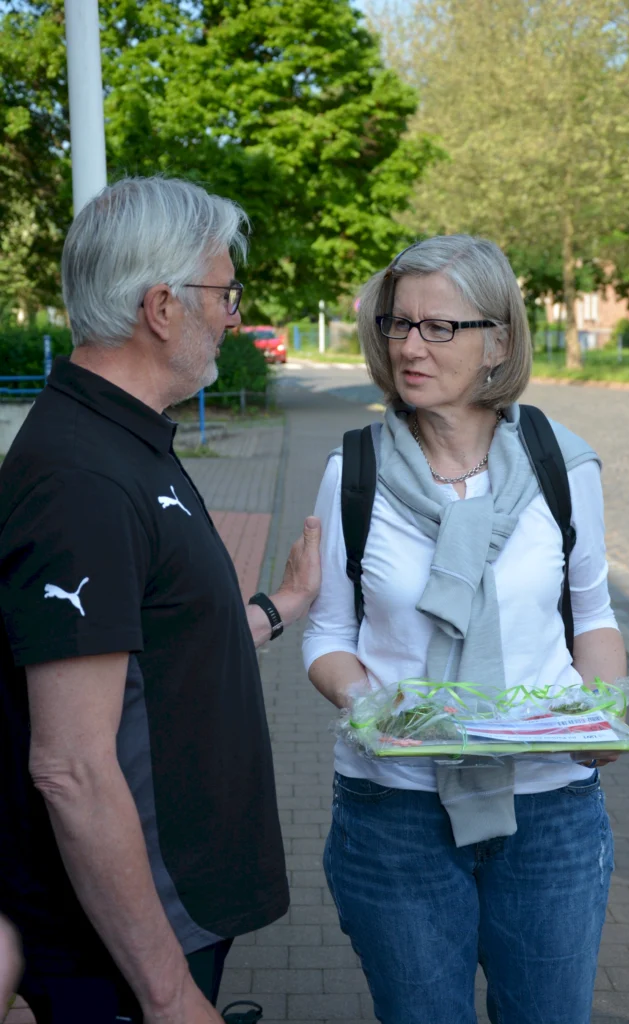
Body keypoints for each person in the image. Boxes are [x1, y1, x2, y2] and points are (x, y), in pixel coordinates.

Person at [0, 176, 321, 1024]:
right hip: (131, 949)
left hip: (177, 908)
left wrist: (283, 603)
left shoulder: (120, 438)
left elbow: (158, 642)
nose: (231, 313)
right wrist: (170, 997)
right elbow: (69, 767)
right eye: (224, 293)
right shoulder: (82, 477)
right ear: (161, 307)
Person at [303, 234, 626, 1024]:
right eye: (396, 324)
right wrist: (372, 709)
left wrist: (603, 710)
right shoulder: (353, 471)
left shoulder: (562, 464)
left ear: (499, 341)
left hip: (549, 809)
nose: (410, 346)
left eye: (439, 327)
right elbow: (325, 637)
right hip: (397, 812)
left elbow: (594, 616)